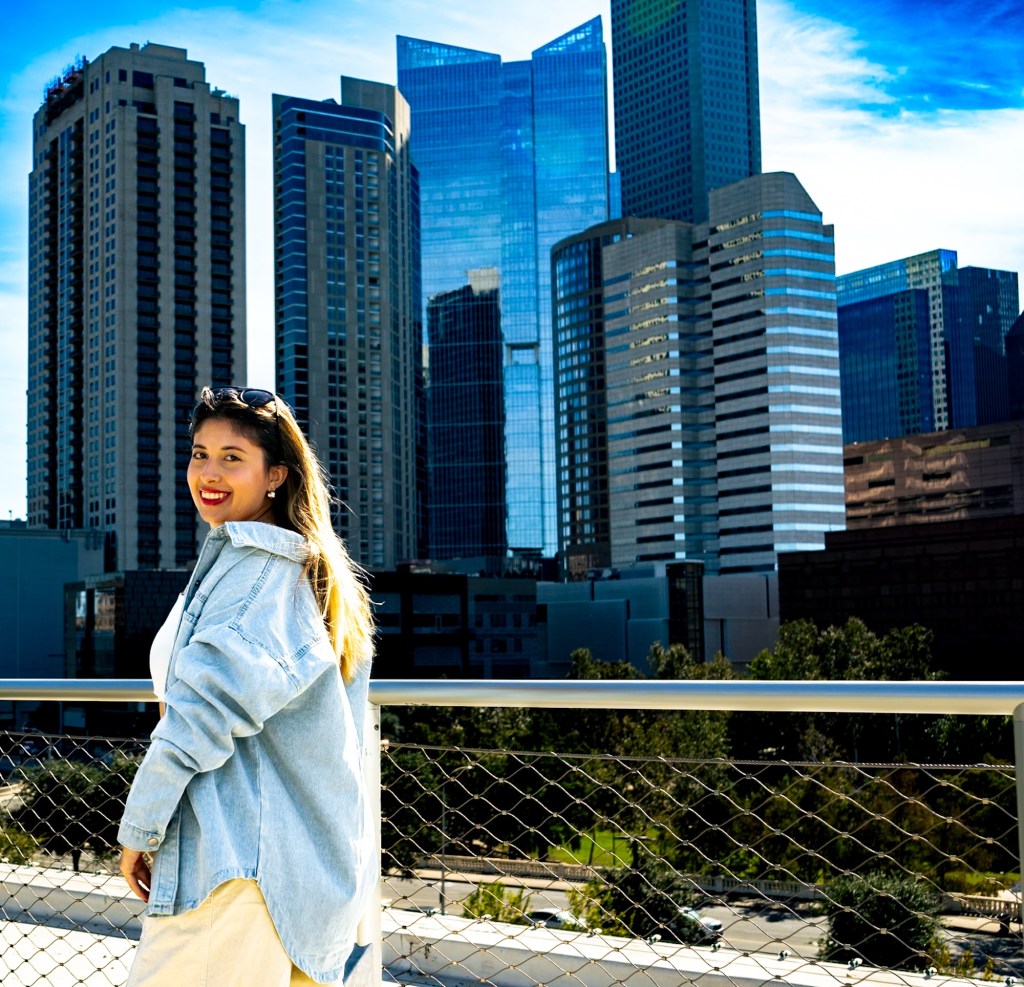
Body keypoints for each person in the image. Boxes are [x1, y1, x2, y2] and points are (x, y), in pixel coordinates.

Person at [118, 385, 375, 986]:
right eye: (199, 454)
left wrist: (139, 828)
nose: (209, 473)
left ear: (275, 476)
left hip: (236, 868)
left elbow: (198, 720)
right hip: (276, 867)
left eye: (232, 458)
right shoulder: (271, 569)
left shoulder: (257, 578)